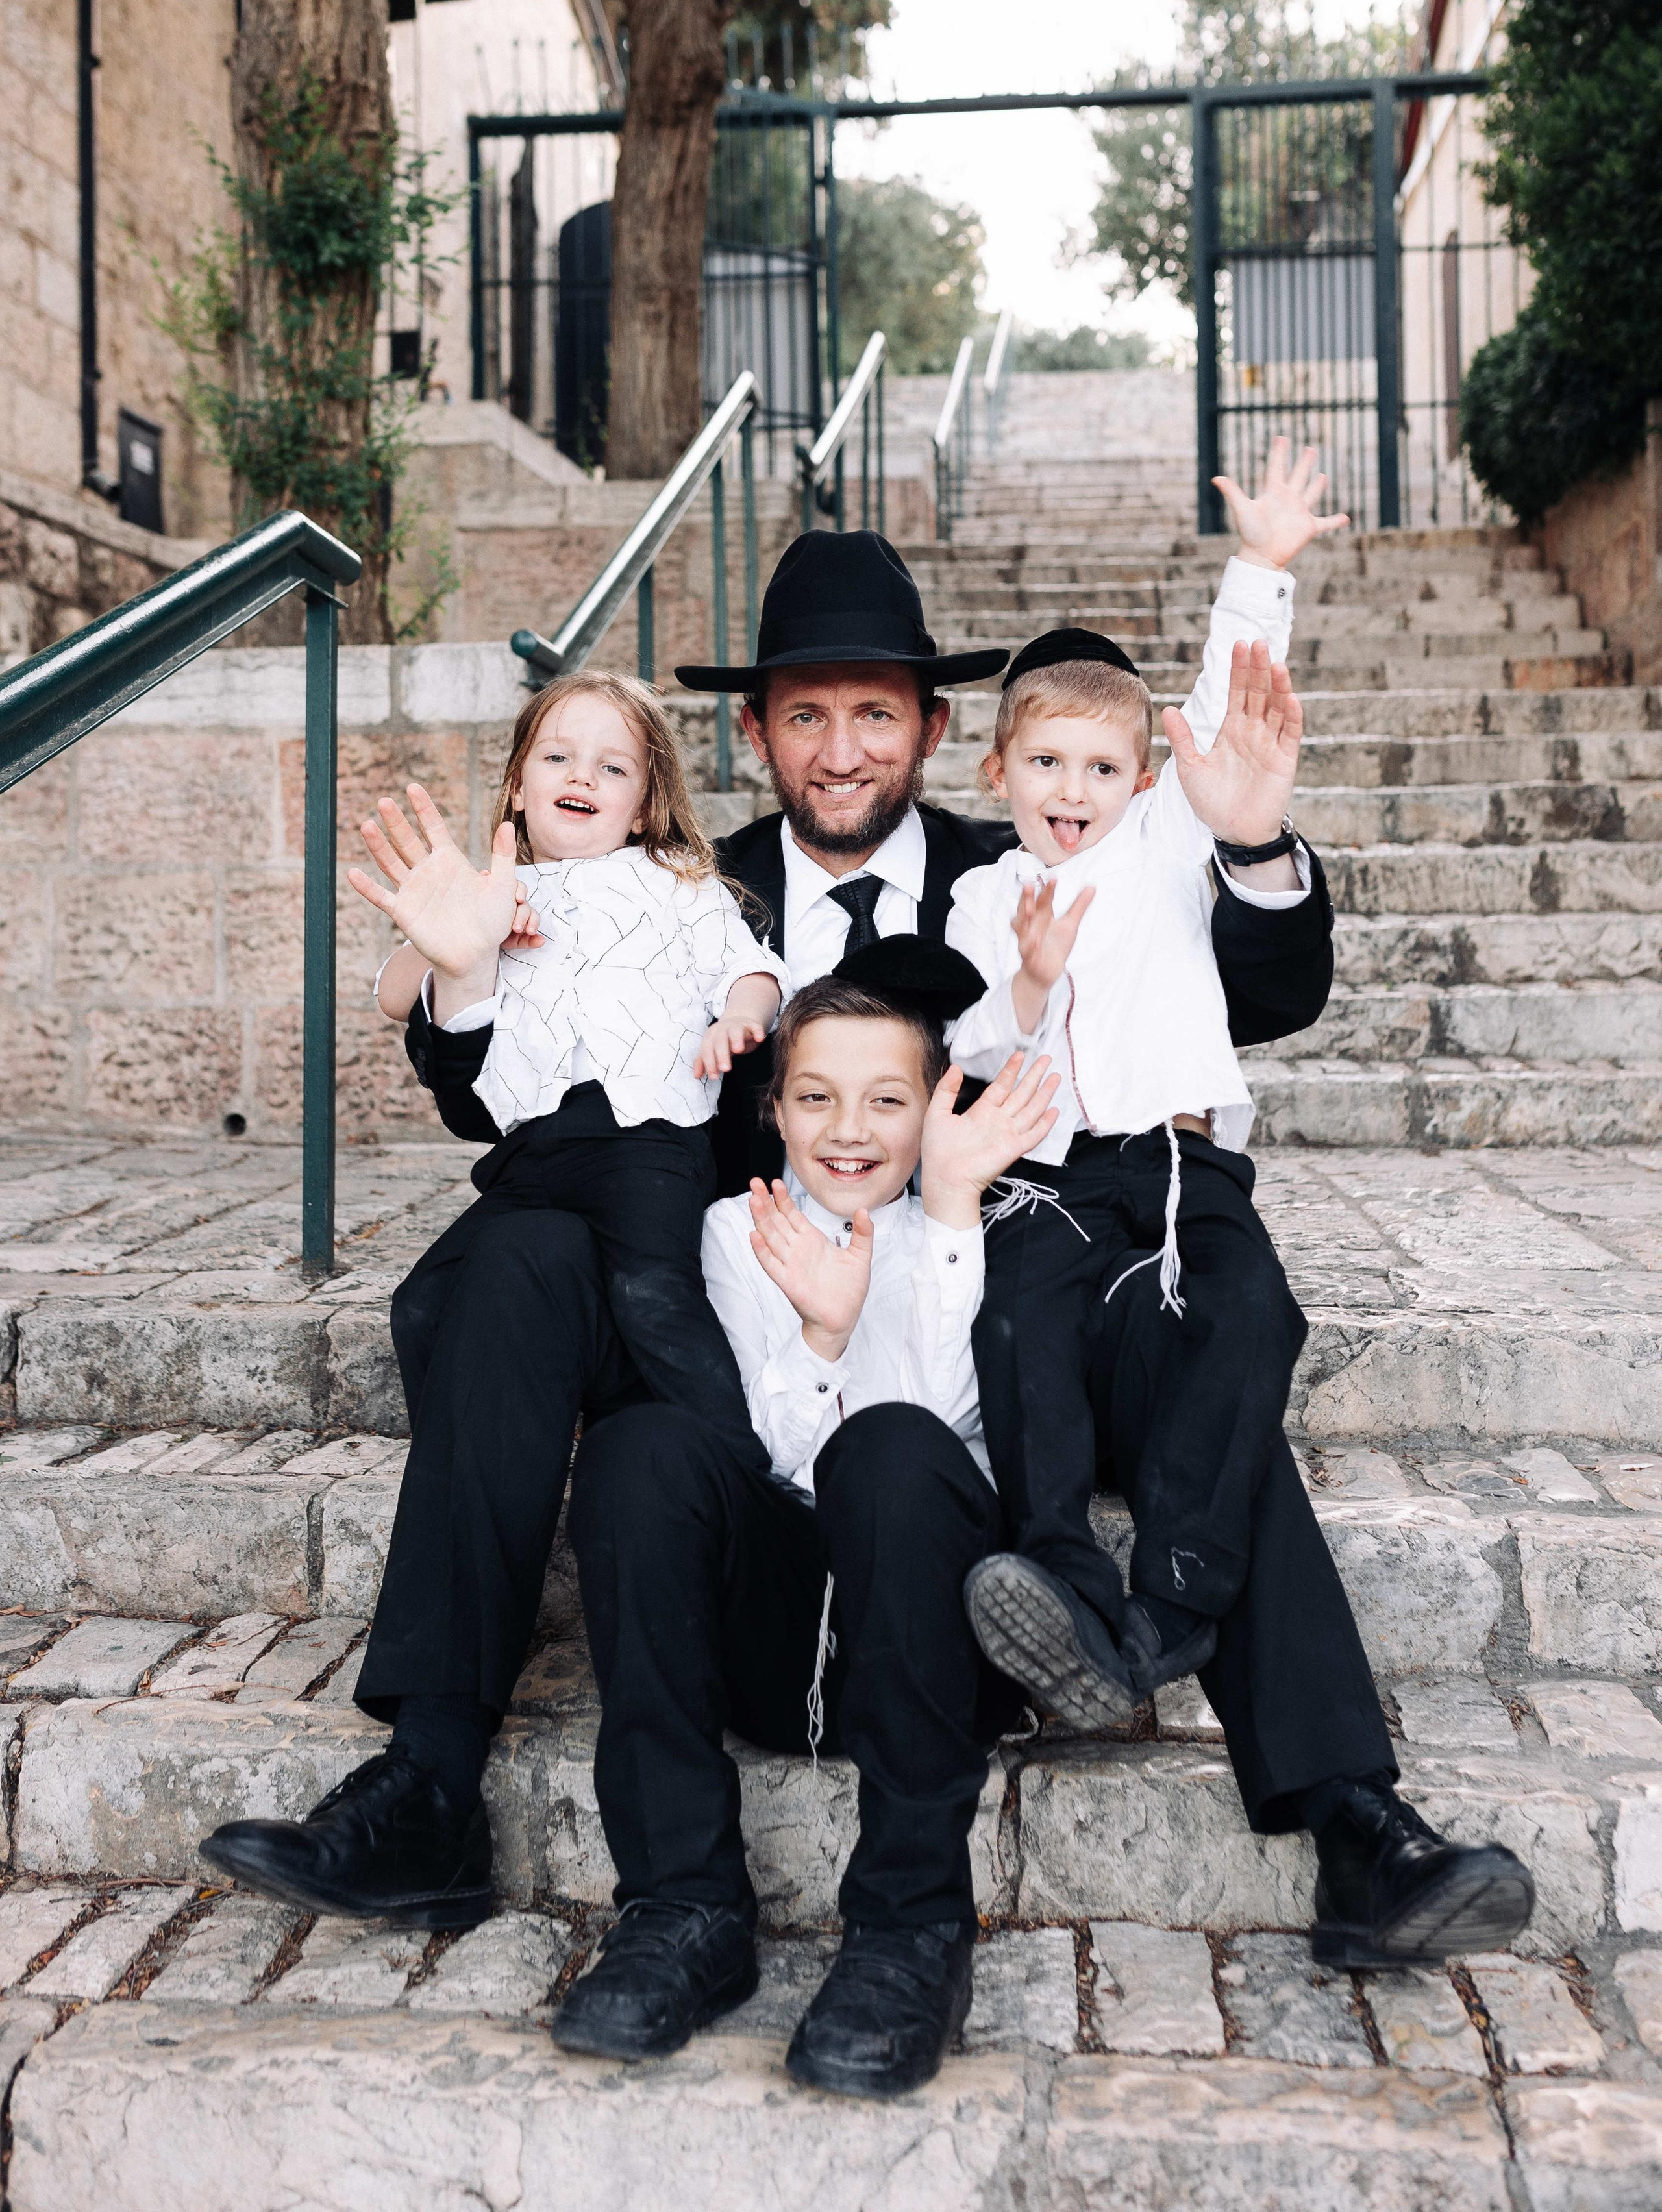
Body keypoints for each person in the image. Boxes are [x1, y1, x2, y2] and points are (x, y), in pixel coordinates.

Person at [194, 521, 1347, 1956]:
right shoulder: (675, 874)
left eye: (876, 713)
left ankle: (1352, 1813)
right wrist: (457, 964)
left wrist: (1245, 842)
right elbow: (484, 1091)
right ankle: (431, 1776)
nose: (844, 749)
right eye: (806, 715)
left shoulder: (1038, 858)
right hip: (706, 1297)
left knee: (1200, 1346)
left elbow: (1257, 988)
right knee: (507, 1262)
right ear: (753, 731)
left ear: (935, 730)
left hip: (984, 1299)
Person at [947, 441, 1535, 1968]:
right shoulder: (967, 896)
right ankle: (1342, 1816)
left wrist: (1261, 564)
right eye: (1041, 764)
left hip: (1186, 1178)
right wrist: (1022, 984)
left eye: (1100, 765)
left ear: (1138, 781)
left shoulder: (1168, 838)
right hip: (1043, 1191)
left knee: (1247, 1323)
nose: (1070, 790)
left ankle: (1162, 1621)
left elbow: (1228, 714)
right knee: (1033, 1333)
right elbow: (965, 1050)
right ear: (991, 772)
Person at [201, 670, 784, 1926]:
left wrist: (739, 1024)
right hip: (536, 1170)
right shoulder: (491, 894)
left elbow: (752, 975)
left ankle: (756, 1526)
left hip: (653, 1171)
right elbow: (432, 1022)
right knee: (464, 1295)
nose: (579, 776)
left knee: (619, 1314)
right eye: (554, 756)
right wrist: (446, 950)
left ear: (649, 802)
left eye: (612, 765)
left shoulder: (686, 895)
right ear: (517, 779)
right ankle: (427, 1783)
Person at [548, 941, 1057, 2096]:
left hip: (932, 1654)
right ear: (773, 1110)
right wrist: (824, 1335)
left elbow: (931, 1453)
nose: (850, 1128)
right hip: (783, 1638)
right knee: (642, 1446)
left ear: (939, 1105)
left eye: (888, 1100)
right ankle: (684, 1903)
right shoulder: (742, 1232)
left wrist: (944, 1214)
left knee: (891, 1445)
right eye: (817, 1097)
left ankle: (908, 1930)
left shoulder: (973, 1232)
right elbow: (768, 1452)